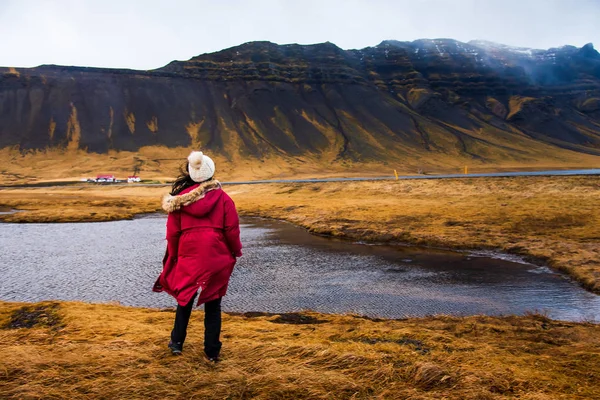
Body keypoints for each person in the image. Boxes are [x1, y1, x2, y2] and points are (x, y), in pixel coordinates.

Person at [153, 151, 242, 362]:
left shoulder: (178, 203)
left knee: (184, 298)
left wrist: (175, 257)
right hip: (215, 255)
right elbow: (231, 230)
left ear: (192, 174)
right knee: (213, 303)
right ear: (211, 172)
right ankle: (212, 352)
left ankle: (176, 343)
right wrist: (235, 251)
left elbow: (172, 234)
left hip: (188, 254)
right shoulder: (224, 199)